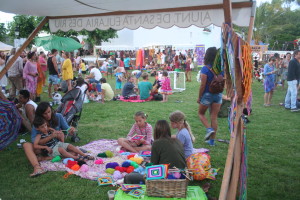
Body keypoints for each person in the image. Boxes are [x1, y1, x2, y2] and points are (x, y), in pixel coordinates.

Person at [22, 102, 77, 177]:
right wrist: (50, 137)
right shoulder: (38, 123)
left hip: (56, 146)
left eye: (49, 112)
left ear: (51, 110)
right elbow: (35, 142)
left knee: (73, 152)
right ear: (40, 114)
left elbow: (67, 129)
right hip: (43, 148)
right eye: (45, 113)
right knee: (26, 145)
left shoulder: (58, 116)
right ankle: (37, 168)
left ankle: (46, 158)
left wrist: (71, 130)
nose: (48, 115)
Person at [197, 47, 223, 146]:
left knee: (201, 114)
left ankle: (209, 129)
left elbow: (203, 85)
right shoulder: (220, 68)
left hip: (207, 94)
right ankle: (212, 141)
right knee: (214, 117)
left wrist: (199, 97)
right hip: (218, 95)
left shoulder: (205, 68)